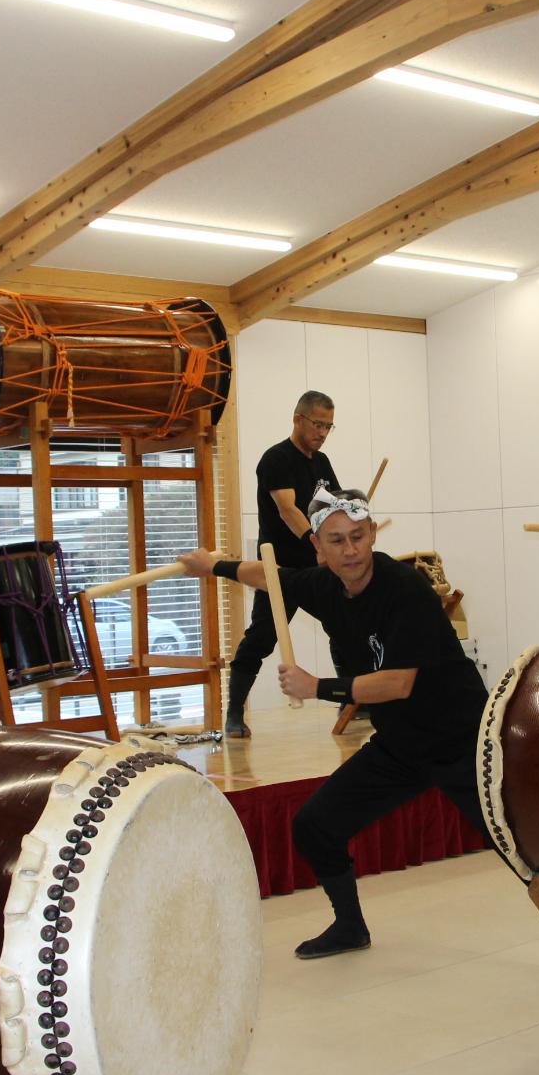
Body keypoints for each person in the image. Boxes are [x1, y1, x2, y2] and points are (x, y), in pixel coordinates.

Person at [180, 485, 487, 959]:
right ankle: (350, 927)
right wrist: (213, 565)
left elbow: (397, 684)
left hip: (461, 739)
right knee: (315, 825)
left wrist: (316, 686)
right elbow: (270, 576)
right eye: (338, 540)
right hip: (402, 746)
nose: (351, 550)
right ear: (319, 549)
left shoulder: (406, 589)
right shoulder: (326, 585)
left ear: (372, 534)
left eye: (359, 536)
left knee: (521, 850)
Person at [224, 391, 339, 738]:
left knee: (346, 623)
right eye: (318, 424)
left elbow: (331, 505)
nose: (322, 432)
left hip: (317, 567)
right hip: (280, 571)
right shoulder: (275, 459)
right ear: (298, 419)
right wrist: (315, 541)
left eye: (329, 426)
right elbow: (288, 508)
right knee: (261, 639)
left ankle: (354, 702)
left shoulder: (322, 463)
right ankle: (233, 714)